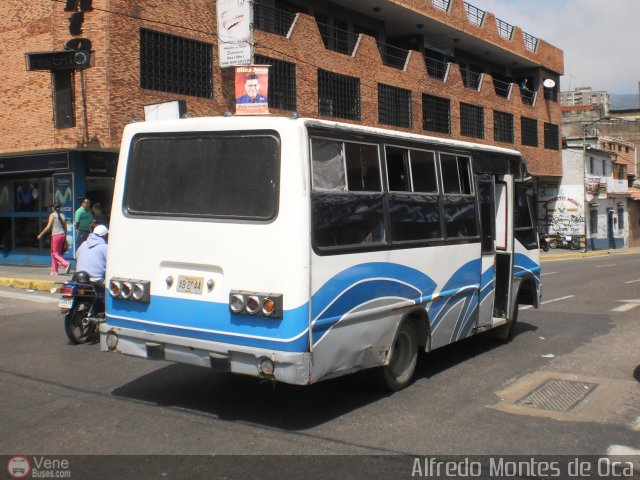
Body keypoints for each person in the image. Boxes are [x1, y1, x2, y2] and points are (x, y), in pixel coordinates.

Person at [36, 203, 71, 275]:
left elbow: (48, 227)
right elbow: (65, 228)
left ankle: (66, 264)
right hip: (62, 235)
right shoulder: (62, 215)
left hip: (56, 235)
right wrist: (65, 238)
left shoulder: (52, 215)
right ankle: (54, 271)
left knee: (55, 253)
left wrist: (41, 234)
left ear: (53, 208)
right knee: (55, 253)